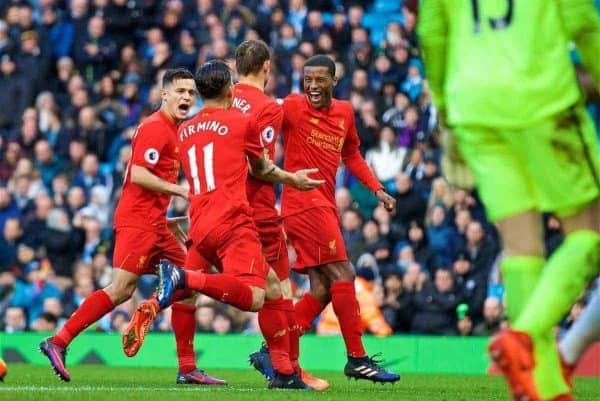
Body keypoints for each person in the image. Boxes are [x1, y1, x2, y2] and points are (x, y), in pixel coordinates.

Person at [419, 2, 600, 401]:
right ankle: (522, 336)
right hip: (542, 98)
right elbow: (582, 23)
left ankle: (546, 387)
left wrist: (448, 112)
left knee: (521, 248)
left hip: (475, 109)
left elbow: (431, 32)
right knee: (591, 234)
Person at [39, 69, 225, 386]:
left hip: (156, 224)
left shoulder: (175, 131)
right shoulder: (155, 128)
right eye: (180, 91)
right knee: (122, 289)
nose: (187, 98)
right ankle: (58, 341)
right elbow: (138, 174)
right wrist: (180, 190)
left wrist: (167, 216)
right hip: (137, 223)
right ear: (164, 94)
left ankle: (186, 365)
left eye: (191, 93)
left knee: (190, 284)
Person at [155, 60, 321, 389]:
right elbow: (262, 170)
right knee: (256, 297)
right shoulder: (241, 122)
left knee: (273, 287)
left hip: (199, 222)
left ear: (200, 94)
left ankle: (285, 373)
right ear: (230, 89)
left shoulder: (184, 128)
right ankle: (184, 277)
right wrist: (294, 179)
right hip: (232, 221)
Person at [277, 54, 400, 383]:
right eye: (308, 80)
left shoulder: (345, 112)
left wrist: (377, 190)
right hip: (302, 202)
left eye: (319, 79)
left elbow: (351, 154)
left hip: (324, 203)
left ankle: (275, 348)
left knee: (321, 288)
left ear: (334, 80)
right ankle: (357, 358)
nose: (313, 86)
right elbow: (256, 114)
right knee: (344, 272)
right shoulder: (290, 106)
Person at [231, 39, 329, 390]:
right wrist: (291, 178)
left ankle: (187, 361)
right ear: (266, 67)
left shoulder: (222, 101)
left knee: (258, 285)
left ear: (235, 67)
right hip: (256, 207)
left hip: (221, 205)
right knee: (281, 288)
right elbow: (260, 167)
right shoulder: (267, 107)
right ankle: (288, 367)